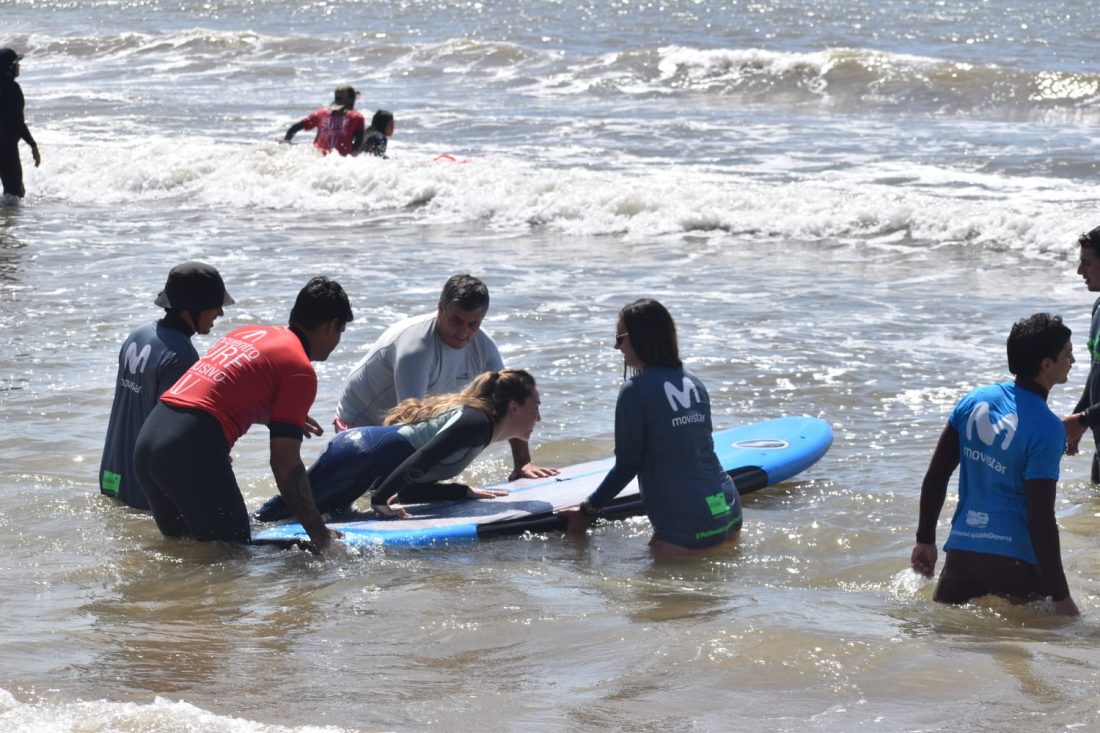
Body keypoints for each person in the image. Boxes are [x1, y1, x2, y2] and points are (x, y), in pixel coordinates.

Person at [133, 276, 353, 552]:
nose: (337, 341)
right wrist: (319, 533)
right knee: (233, 557)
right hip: (189, 449)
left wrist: (273, 417)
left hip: (148, 443)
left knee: (186, 554)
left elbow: (213, 394)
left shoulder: (247, 333)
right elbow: (285, 462)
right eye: (341, 331)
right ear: (331, 326)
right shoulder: (299, 368)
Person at [910, 313, 1079, 616]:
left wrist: (925, 539)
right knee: (1047, 641)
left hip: (960, 559)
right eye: (1068, 354)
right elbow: (1041, 517)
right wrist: (1061, 597)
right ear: (1046, 364)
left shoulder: (973, 401)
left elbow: (936, 475)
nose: (1074, 360)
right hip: (1013, 566)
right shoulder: (1047, 427)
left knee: (943, 642)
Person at [560, 299, 742, 556]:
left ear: (641, 337)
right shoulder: (695, 382)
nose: (616, 346)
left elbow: (627, 465)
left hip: (688, 525)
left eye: (620, 338)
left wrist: (586, 511)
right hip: (728, 509)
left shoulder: (635, 390)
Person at [333, 273, 557, 481]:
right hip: (360, 424)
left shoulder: (483, 346)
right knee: (383, 487)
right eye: (456, 321)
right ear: (441, 308)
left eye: (473, 324)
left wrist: (522, 463)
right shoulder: (416, 349)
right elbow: (408, 422)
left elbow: (510, 401)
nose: (463, 332)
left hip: (400, 421)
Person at [256, 368, 541, 521]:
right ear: (514, 407)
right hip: (359, 454)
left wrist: (461, 491)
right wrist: (380, 500)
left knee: (299, 514)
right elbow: (423, 458)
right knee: (278, 515)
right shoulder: (476, 423)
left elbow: (407, 485)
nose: (538, 418)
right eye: (535, 406)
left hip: (362, 458)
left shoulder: (480, 427)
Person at [100, 262, 234, 509]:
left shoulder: (138, 335)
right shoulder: (180, 355)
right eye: (215, 305)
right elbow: (177, 436)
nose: (220, 313)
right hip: (146, 491)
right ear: (192, 308)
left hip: (113, 474)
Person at [1064, 225, 1100, 477]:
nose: (1079, 271)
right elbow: (1096, 371)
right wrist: (1079, 417)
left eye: (1086, 263)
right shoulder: (1099, 307)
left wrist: (1084, 418)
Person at [0, 47, 40, 199]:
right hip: (7, 148)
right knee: (14, 196)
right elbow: (17, 122)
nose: (19, 66)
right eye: (16, 63)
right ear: (8, 68)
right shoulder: (12, 89)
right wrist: (33, 145)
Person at [283, 85, 365, 157]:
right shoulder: (356, 117)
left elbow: (294, 128)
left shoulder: (320, 113)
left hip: (317, 156)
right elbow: (358, 142)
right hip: (340, 159)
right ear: (352, 100)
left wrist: (286, 142)